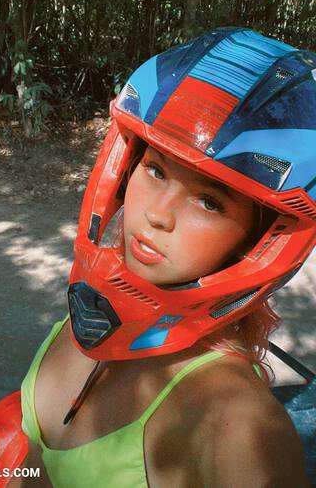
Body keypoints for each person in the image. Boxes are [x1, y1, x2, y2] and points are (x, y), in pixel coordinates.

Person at [19, 28, 315, 487]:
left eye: (209, 202)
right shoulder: (82, 326)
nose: (157, 214)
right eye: (155, 170)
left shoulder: (237, 429)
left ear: (258, 241)